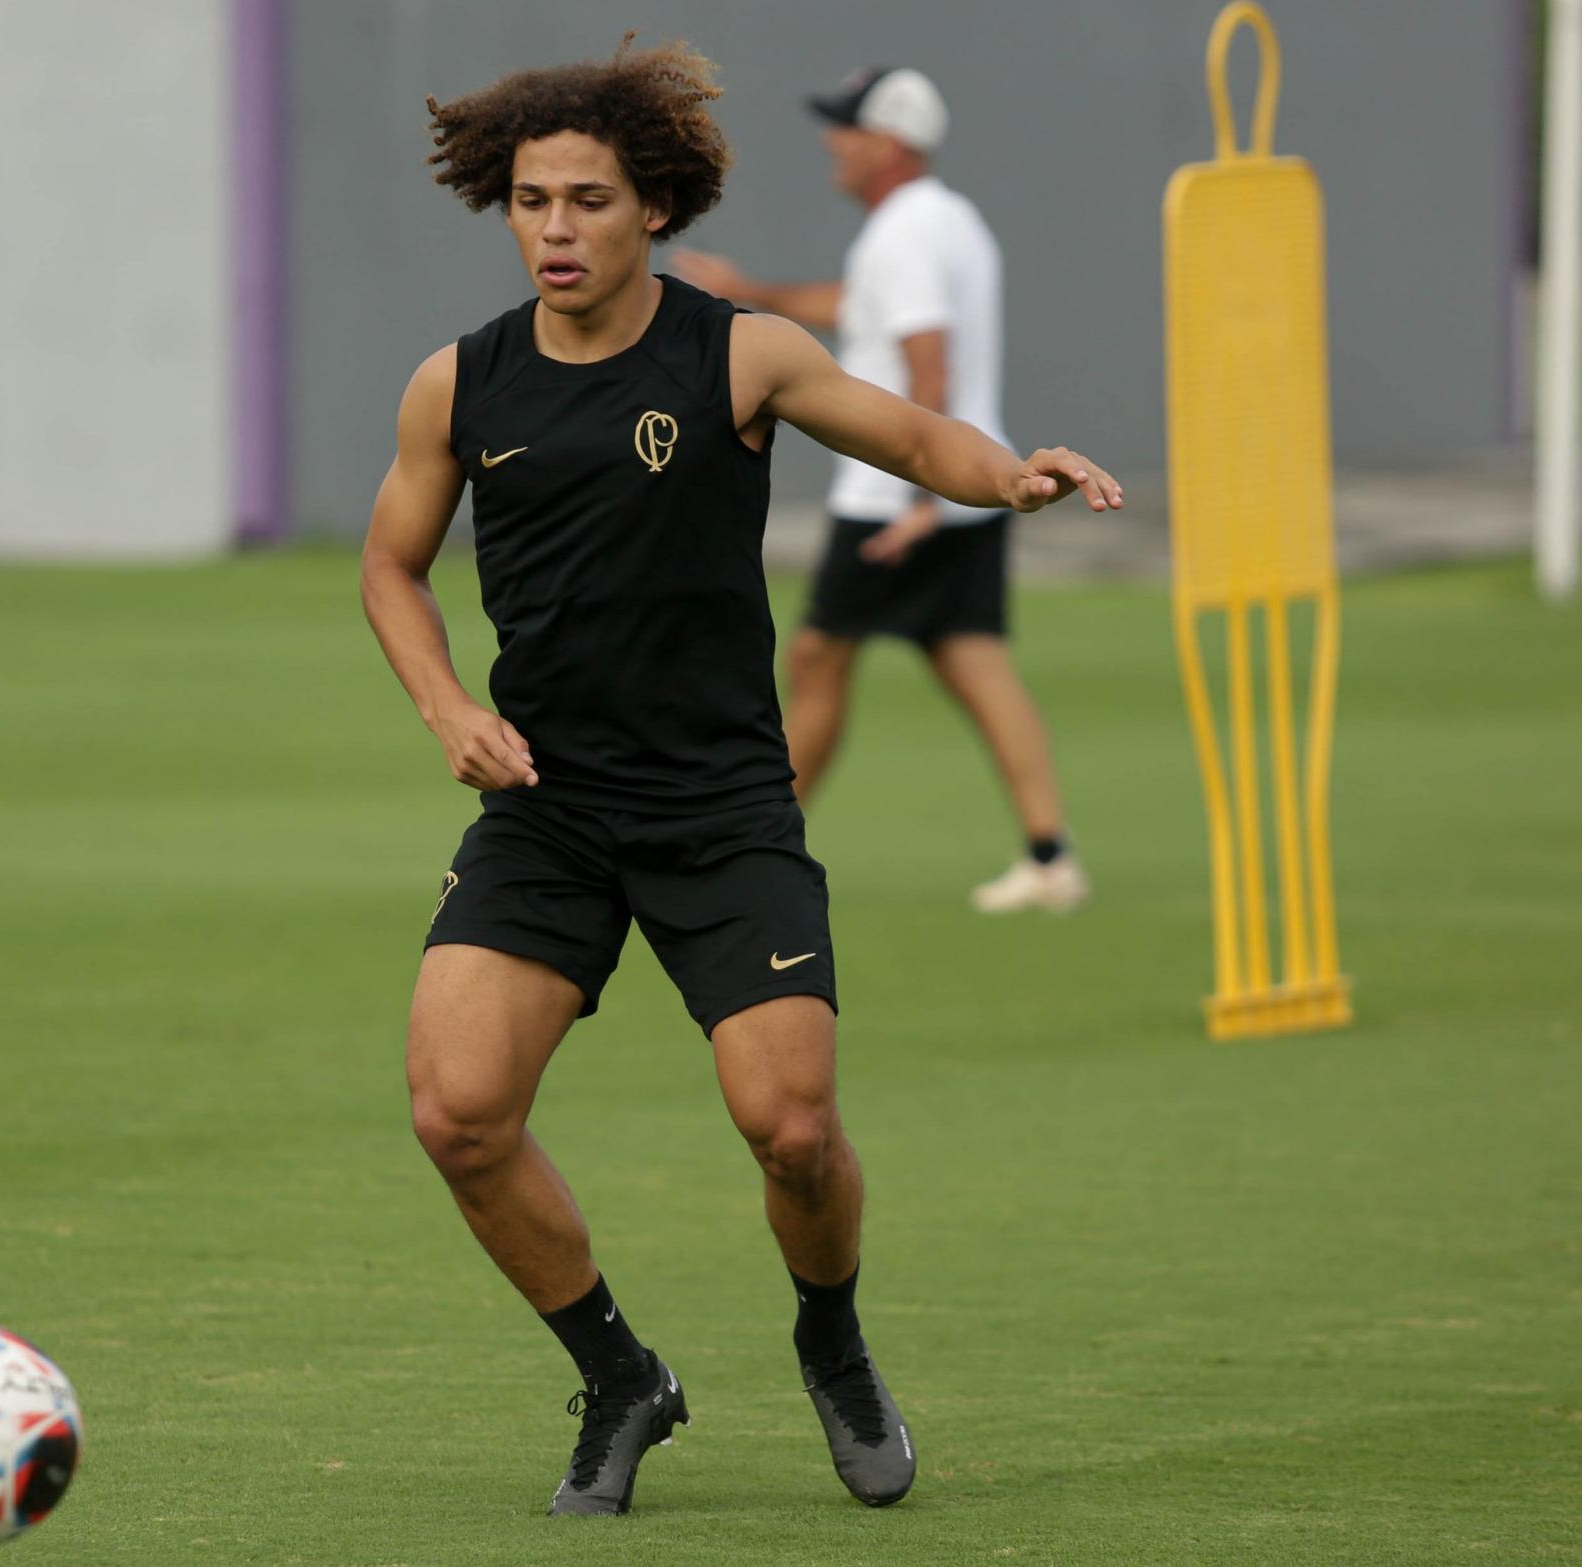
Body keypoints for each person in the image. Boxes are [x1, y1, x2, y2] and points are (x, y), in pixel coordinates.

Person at [359, 37, 1121, 1518]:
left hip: (718, 807)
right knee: (456, 1108)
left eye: (588, 199)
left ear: (656, 209)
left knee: (791, 1125)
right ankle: (619, 1374)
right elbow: (392, 569)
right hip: (547, 808)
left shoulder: (739, 352)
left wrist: (1005, 474)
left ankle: (829, 1334)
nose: (556, 228)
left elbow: (906, 431)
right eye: (531, 202)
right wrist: (446, 701)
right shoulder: (459, 383)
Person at [675, 66, 1090, 913]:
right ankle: (1051, 856)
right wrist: (748, 292)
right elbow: (864, 309)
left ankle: (755, 847)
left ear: (890, 142)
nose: (833, 141)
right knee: (974, 661)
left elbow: (925, 360)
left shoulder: (903, 233)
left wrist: (920, 503)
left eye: (847, 127)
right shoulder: (947, 220)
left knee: (817, 656)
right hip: (974, 482)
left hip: (896, 496)